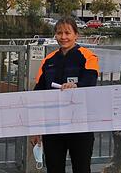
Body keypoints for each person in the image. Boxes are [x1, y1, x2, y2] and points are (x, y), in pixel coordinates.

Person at [30, 17, 99, 173]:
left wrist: (76, 86)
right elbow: (38, 94)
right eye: (59, 33)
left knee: (81, 169)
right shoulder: (48, 60)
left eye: (68, 33)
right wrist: (36, 128)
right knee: (54, 169)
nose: (63, 37)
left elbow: (90, 83)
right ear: (55, 35)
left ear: (76, 35)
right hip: (53, 126)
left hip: (81, 125)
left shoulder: (88, 57)